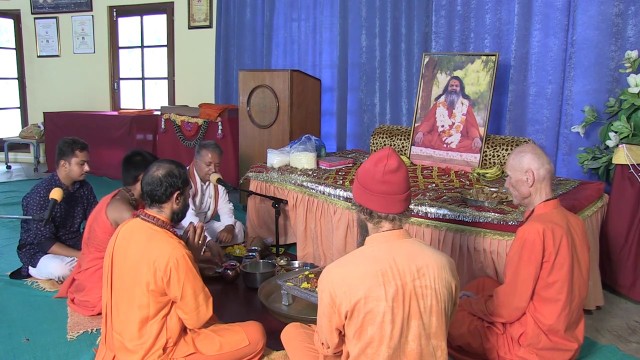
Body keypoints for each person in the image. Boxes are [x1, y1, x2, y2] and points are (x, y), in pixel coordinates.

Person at [281, 147, 460, 360]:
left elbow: (330, 348)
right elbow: (443, 327)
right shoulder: (445, 265)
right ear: (406, 206)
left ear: (361, 209)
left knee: (293, 333)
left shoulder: (338, 275)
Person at [96, 159, 266, 360]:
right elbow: (198, 318)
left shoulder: (124, 229)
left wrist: (188, 256)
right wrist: (190, 262)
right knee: (255, 334)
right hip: (156, 352)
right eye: (188, 195)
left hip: (118, 347)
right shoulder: (172, 250)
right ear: (177, 198)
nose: (189, 200)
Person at [447, 143, 590, 359]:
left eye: (508, 176)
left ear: (528, 178)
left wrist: (470, 304)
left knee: (449, 316)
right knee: (481, 284)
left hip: (534, 347)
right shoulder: (573, 221)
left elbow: (508, 309)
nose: (506, 184)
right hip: (567, 339)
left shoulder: (535, 231)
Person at [55, 150, 158, 316]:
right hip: (99, 284)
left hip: (100, 273)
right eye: (157, 177)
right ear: (142, 178)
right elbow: (149, 253)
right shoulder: (123, 210)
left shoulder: (124, 197)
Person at [10, 137, 98, 282]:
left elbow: (95, 218)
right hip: (41, 252)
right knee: (62, 270)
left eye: (87, 163)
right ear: (64, 164)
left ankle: (85, 266)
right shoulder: (40, 194)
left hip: (75, 244)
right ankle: (36, 270)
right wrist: (81, 255)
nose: (87, 168)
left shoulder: (84, 187)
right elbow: (44, 242)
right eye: (82, 164)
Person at [177, 140, 244, 245]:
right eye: (208, 164)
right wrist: (209, 242)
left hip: (205, 224)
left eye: (217, 165)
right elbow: (188, 216)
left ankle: (219, 253)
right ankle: (211, 250)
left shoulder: (216, 178)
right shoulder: (184, 179)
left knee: (237, 228)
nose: (213, 169)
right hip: (185, 227)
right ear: (195, 162)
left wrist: (229, 227)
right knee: (188, 241)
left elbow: (224, 206)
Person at [413, 76, 483, 153]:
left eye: (456, 86)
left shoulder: (465, 106)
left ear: (460, 89)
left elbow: (471, 126)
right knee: (423, 139)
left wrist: (476, 138)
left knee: (472, 145)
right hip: (438, 137)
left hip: (458, 139)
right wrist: (421, 132)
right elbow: (429, 121)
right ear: (447, 88)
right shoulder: (439, 104)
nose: (454, 88)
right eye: (451, 86)